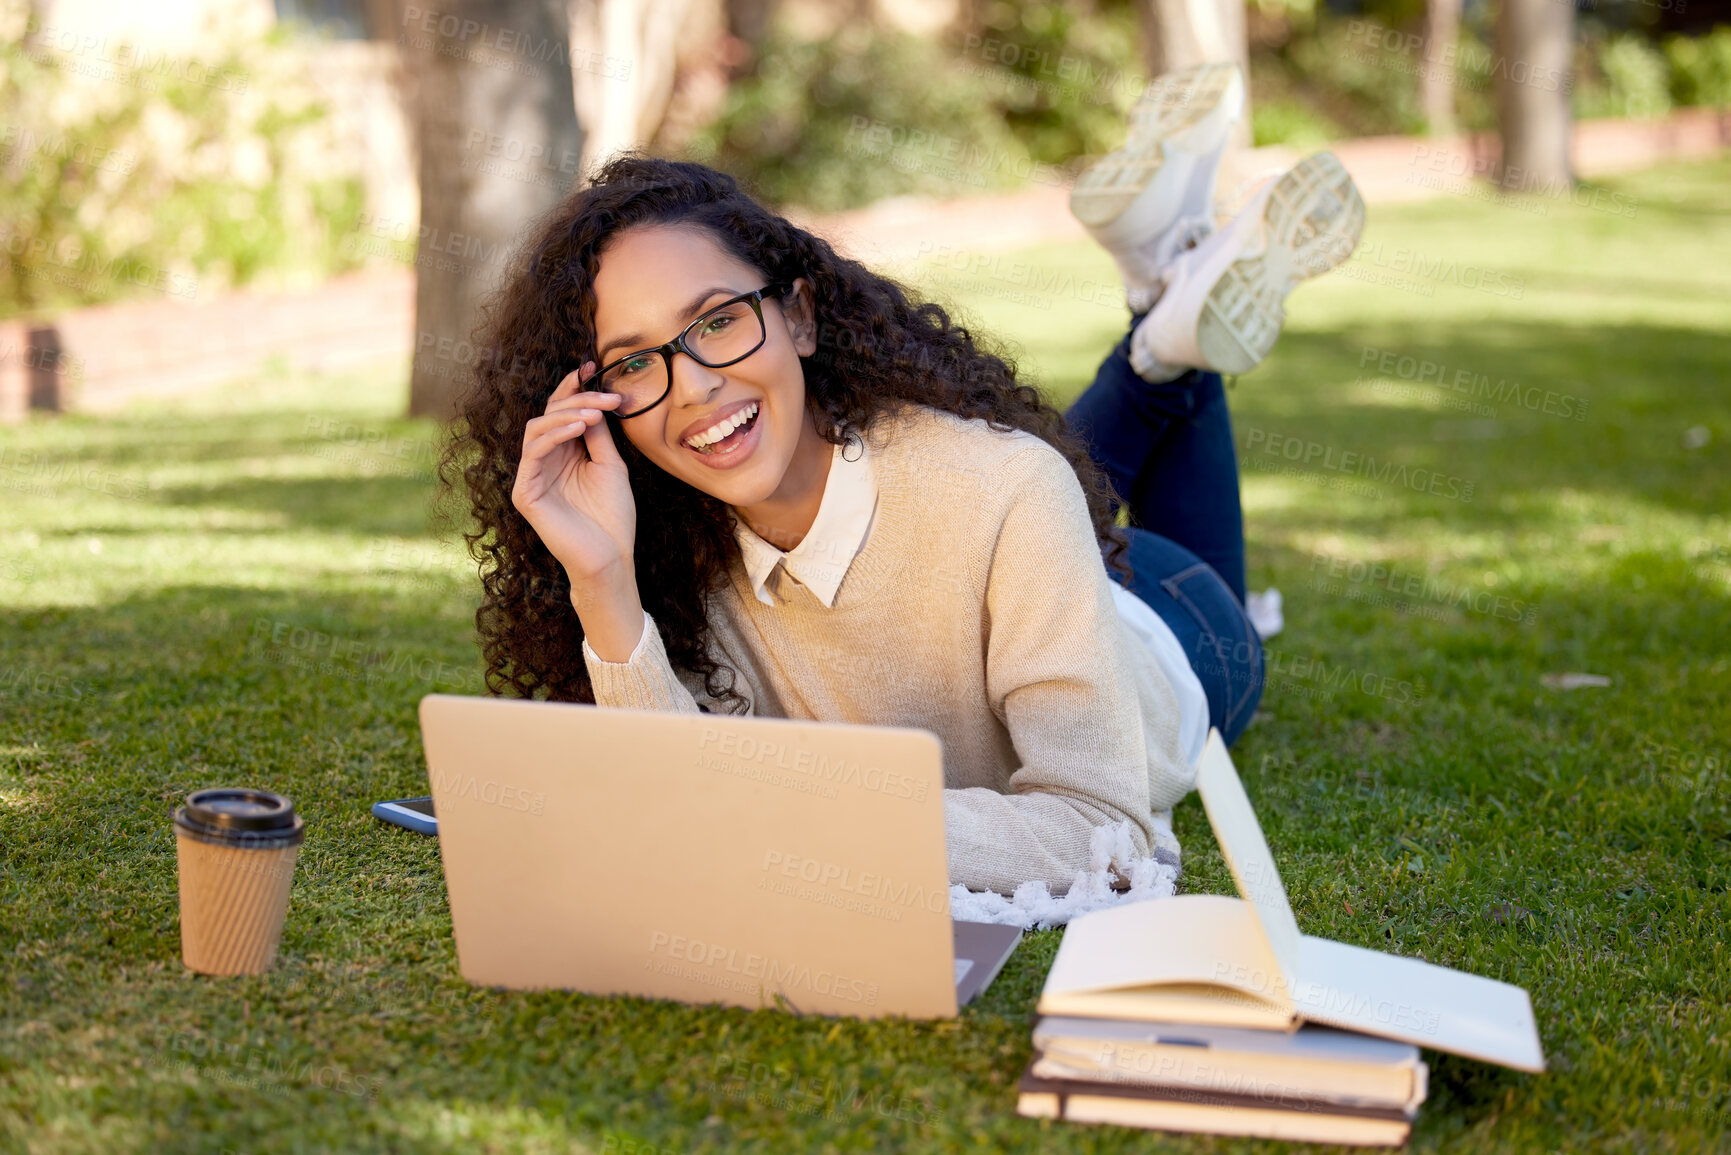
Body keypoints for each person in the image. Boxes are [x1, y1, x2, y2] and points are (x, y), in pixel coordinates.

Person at [442, 62, 1363, 898]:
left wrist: (796, 818)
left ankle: (1162, 332)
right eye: (634, 363)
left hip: (1167, 626)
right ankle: (1161, 314)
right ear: (596, 401)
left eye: (717, 322)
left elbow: (1099, 832)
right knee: (1029, 478)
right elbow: (678, 803)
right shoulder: (672, 548)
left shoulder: (1001, 487)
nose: (692, 388)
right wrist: (602, 580)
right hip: (1029, 558)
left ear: (799, 316)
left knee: (1021, 484)